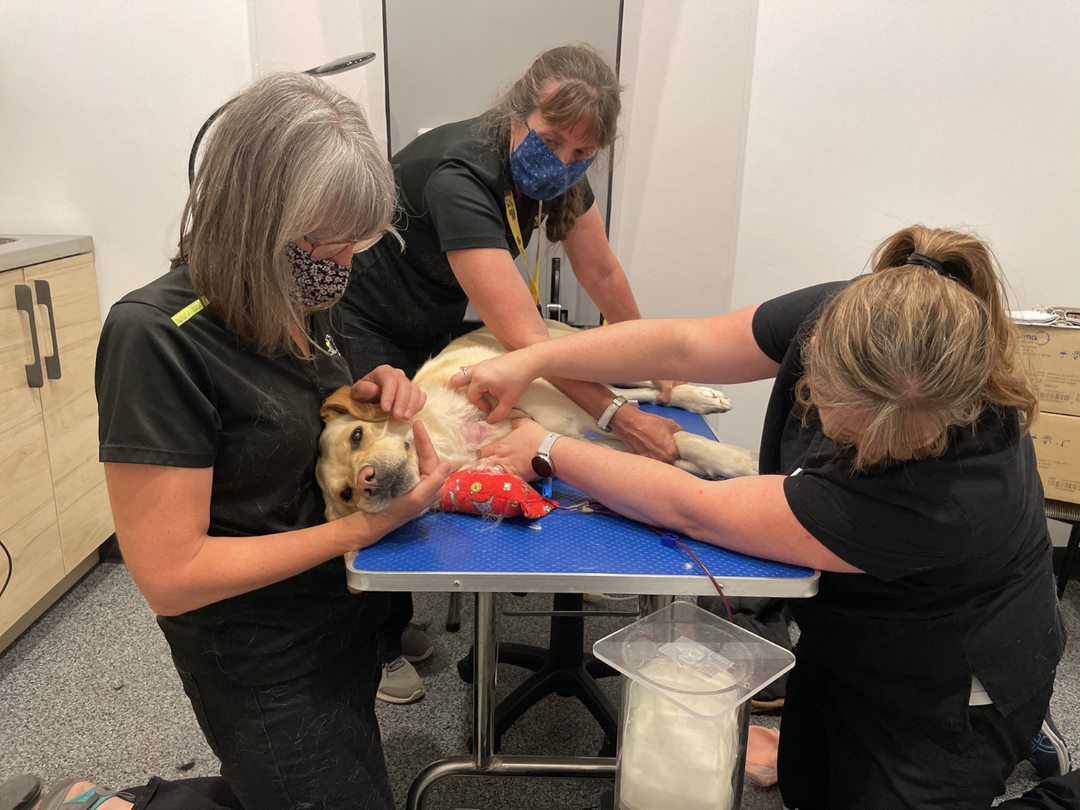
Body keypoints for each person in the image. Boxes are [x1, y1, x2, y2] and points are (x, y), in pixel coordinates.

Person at [454, 225, 1067, 808]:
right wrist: (531, 358)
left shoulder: (944, 500)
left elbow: (693, 507)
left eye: (886, 447)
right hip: (855, 638)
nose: (859, 456)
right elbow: (685, 345)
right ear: (820, 348)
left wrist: (549, 447)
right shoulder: (868, 318)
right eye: (849, 428)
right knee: (810, 788)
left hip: (952, 684)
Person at [39, 72, 447, 810]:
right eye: (332, 243)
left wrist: (370, 396)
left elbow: (288, 421)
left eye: (358, 243)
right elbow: (171, 573)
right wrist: (369, 525)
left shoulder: (301, 294)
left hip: (338, 611)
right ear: (259, 220)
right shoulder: (156, 339)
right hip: (260, 651)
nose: (347, 264)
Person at [336, 43, 682, 703]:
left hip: (426, 320)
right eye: (552, 142)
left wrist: (651, 363)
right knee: (384, 465)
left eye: (583, 155)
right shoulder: (460, 176)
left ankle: (395, 617)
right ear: (516, 115)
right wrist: (621, 414)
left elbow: (601, 272)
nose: (564, 162)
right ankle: (373, 644)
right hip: (363, 320)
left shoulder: (557, 171)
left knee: (426, 452)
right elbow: (530, 341)